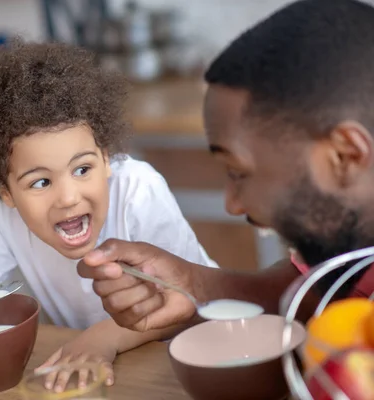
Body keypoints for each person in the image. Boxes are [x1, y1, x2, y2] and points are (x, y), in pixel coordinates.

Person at [0, 38, 217, 389]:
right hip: (90, 367)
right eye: (40, 182)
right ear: (6, 192)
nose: (68, 198)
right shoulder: (0, 212)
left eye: (82, 170)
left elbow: (189, 301)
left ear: (106, 158)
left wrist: (102, 339)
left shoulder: (138, 189)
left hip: (186, 365)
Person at [77, 0, 374, 334]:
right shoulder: (353, 244)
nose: (233, 205)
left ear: (346, 155)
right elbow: (315, 290)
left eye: (238, 173)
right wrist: (193, 286)